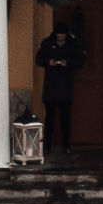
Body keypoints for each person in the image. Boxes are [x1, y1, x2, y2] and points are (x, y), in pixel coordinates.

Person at [33, 14, 89, 165]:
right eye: (59, 36)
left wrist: (67, 63)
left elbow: (79, 60)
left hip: (65, 85)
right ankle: (47, 145)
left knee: (65, 118)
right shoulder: (47, 43)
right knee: (49, 118)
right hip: (51, 85)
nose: (61, 38)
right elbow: (39, 59)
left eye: (63, 36)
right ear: (55, 34)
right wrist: (49, 62)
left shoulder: (72, 44)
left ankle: (66, 145)